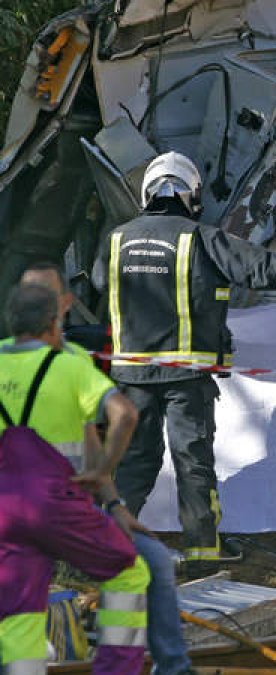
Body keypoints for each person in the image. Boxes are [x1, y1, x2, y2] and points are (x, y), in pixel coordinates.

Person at [92, 151, 276, 577]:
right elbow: (265, 271)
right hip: (186, 378)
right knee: (192, 463)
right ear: (190, 194)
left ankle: (107, 550)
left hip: (131, 377)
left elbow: (97, 283)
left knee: (134, 464)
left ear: (149, 191)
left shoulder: (115, 239)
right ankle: (203, 557)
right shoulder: (200, 237)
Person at [12, 262, 194, 674]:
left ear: (64, 303)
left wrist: (115, 505)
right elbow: (122, 417)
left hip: (59, 510)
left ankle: (173, 667)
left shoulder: (72, 361)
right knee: (128, 575)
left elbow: (89, 440)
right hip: (45, 511)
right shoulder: (55, 364)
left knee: (153, 560)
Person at [0, 283, 149, 675]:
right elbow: (125, 415)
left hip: (3, 509)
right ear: (53, 324)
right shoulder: (66, 365)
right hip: (53, 502)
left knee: (21, 605)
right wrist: (102, 472)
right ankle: (118, 669)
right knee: (129, 572)